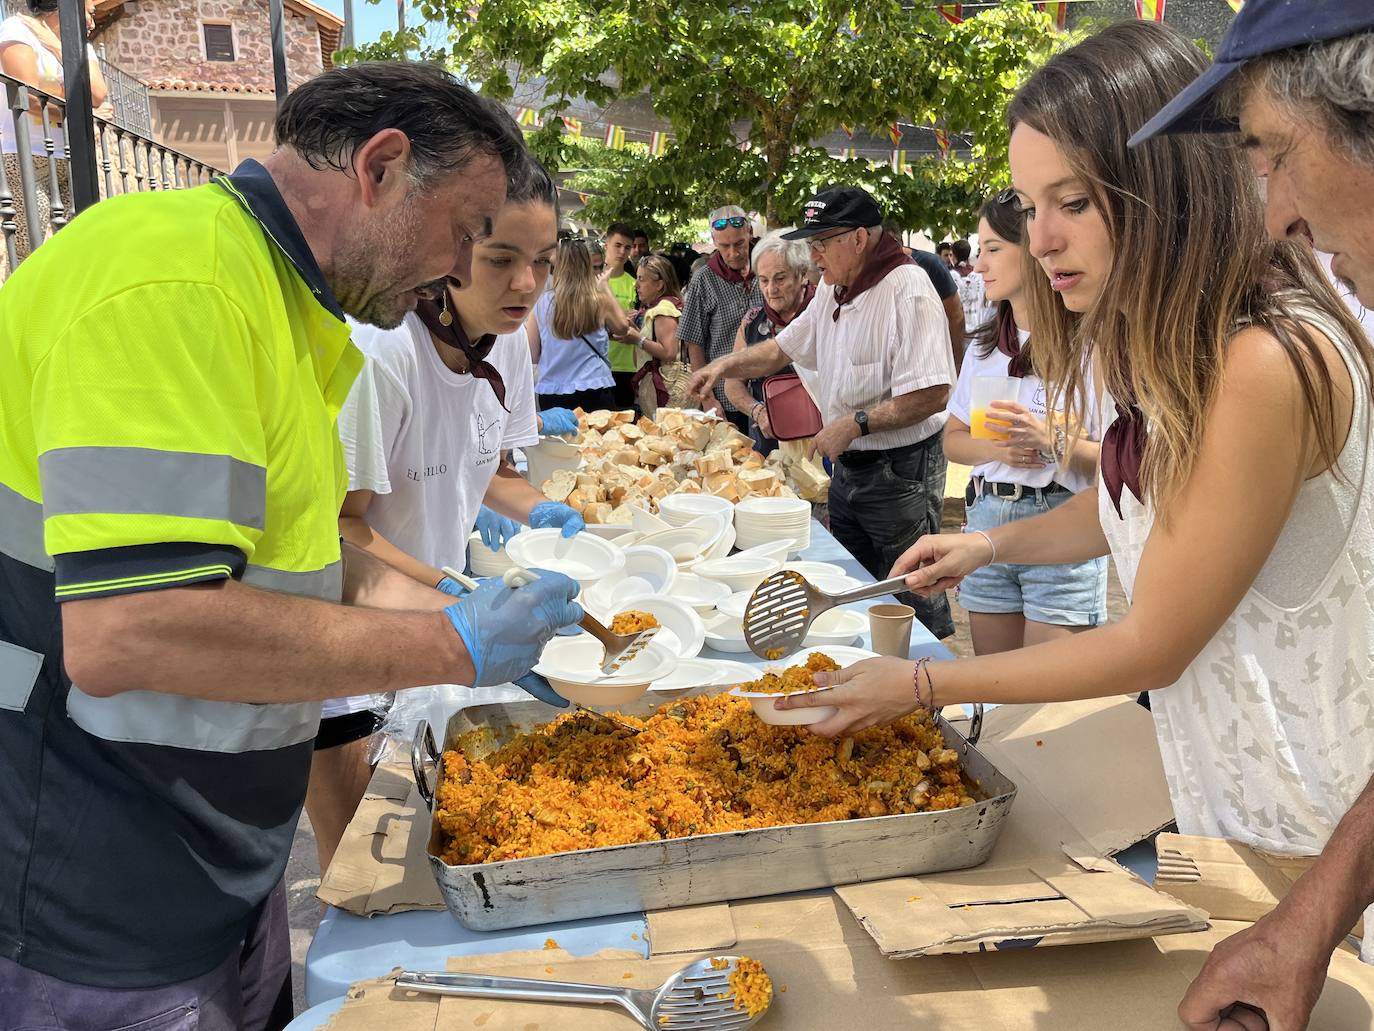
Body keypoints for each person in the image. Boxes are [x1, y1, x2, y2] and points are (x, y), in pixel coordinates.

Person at [772, 22, 1374, 1031]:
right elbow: (1137, 510)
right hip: (1247, 828)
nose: (1040, 238)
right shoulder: (1198, 344)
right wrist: (993, 543)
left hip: (1325, 848)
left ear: (1168, 186)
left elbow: (1155, 638)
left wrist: (920, 684)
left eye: (1074, 202)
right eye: (1029, 206)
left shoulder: (1268, 359)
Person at [0, 61, 585, 1030]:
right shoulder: (174, 283)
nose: (456, 267)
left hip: (209, 848)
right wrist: (453, 646)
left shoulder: (283, 309)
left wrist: (470, 617)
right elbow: (131, 631)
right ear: (382, 167)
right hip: (89, 867)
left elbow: (313, 562)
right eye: (463, 230)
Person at [1128, 3, 1374, 1027]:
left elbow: (1156, 638)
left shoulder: (1274, 356)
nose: (1273, 214)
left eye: (1271, 153)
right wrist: (1311, 919)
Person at [309, 160, 581, 878]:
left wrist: (550, 513)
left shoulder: (508, 341)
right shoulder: (384, 353)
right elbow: (339, 531)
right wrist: (450, 593)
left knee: (444, 856)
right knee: (364, 879)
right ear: (454, 251)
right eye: (501, 259)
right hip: (354, 662)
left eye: (544, 264)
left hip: (439, 643)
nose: (527, 284)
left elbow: (494, 469)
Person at [689, 186, 957, 640]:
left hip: (901, 470)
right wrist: (723, 365)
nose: (813, 256)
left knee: (912, 596)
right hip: (850, 469)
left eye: (821, 242)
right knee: (850, 589)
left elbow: (933, 393)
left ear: (856, 238)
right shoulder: (834, 288)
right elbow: (780, 349)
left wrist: (857, 422)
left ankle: (930, 690)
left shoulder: (907, 289)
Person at [946, 191, 1106, 655]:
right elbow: (953, 441)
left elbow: (1123, 467)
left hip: (1065, 523)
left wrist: (1052, 441)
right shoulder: (985, 345)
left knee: (1048, 707)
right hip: (986, 517)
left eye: (993, 249)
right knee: (998, 694)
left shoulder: (1093, 345)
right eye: (980, 251)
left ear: (1032, 248)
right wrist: (998, 450)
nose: (978, 265)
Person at [0, 0, 109, 275]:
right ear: (64, 8)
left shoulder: (80, 47)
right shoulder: (17, 29)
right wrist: (81, 108)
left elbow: (98, 94)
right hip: (26, 153)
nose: (92, 22)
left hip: (72, 158)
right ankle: (22, 313)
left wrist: (62, 50)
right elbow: (28, 96)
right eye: (89, 13)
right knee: (29, 248)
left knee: (79, 244)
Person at [723, 231, 815, 455]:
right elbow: (732, 383)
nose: (770, 290)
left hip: (821, 445)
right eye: (763, 280)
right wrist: (757, 411)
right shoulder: (752, 322)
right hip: (769, 443)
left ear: (802, 274)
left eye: (780, 278)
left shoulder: (825, 313)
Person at [678, 204, 763, 429]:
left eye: (739, 244)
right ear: (714, 242)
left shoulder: (767, 269)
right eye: (725, 246)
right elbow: (693, 341)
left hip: (767, 392)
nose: (732, 253)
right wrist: (708, 399)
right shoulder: (703, 280)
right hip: (725, 399)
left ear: (750, 234)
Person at [529, 237, 631, 412]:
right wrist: (604, 287)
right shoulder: (599, 300)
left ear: (559, 266)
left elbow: (532, 354)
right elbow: (622, 327)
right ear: (586, 264)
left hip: (553, 389)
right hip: (595, 385)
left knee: (559, 440)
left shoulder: (540, 304)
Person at [886, 220, 966, 366]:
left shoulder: (930, 265)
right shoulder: (873, 272)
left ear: (899, 242)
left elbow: (955, 315)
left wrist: (957, 365)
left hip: (933, 361)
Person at [621, 253, 685, 415]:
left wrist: (638, 338)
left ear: (659, 285)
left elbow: (669, 352)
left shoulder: (663, 310)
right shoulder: (661, 307)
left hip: (667, 388)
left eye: (642, 279)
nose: (636, 284)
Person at [601, 222, 639, 408]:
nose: (622, 252)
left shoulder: (635, 284)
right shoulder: (594, 280)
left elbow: (636, 324)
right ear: (606, 244)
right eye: (618, 245)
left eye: (627, 247)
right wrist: (620, 317)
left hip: (626, 366)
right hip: (597, 365)